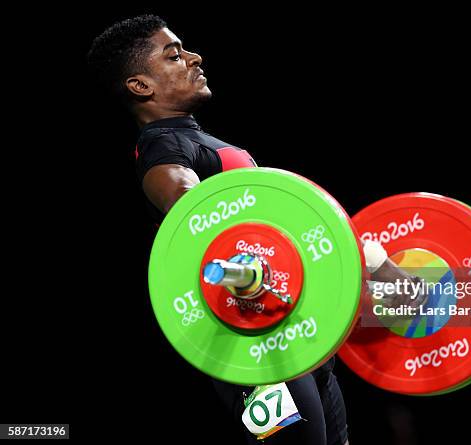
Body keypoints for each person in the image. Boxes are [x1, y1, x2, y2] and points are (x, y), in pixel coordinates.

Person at [88, 14, 421, 445]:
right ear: (140, 86)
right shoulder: (163, 144)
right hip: (253, 360)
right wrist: (192, 206)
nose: (194, 57)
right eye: (174, 55)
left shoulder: (202, 142)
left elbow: (290, 236)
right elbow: (182, 200)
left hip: (295, 342)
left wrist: (380, 273)